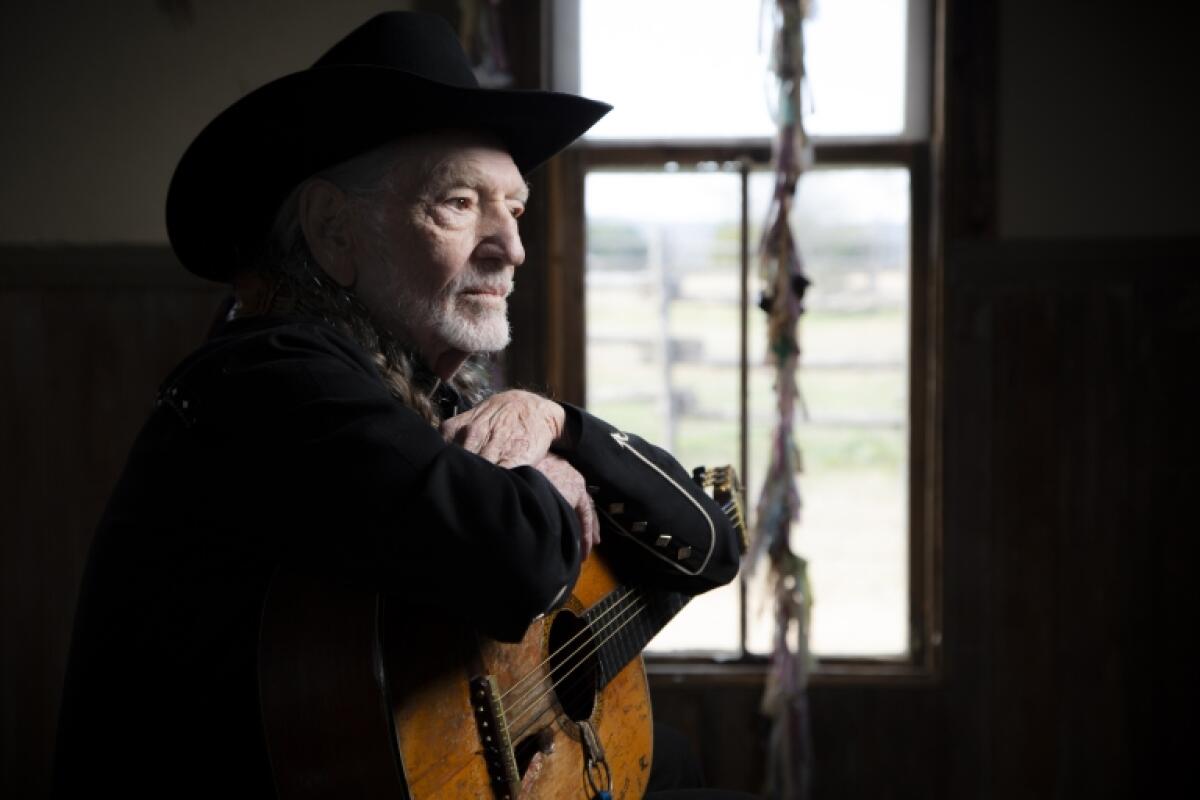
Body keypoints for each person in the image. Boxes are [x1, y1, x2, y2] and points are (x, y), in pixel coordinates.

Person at [52, 12, 751, 799]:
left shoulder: (416, 384)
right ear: (334, 233)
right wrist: (541, 482)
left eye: (515, 209)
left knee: (680, 763)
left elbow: (712, 545)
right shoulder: (269, 379)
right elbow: (516, 558)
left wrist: (555, 424)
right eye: (459, 203)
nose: (511, 248)